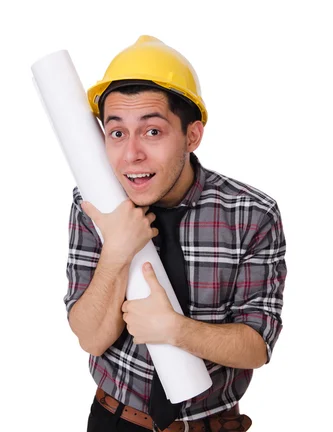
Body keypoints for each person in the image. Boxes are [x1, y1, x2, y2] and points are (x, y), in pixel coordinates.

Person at [63, 35, 287, 432]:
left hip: (209, 425)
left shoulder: (251, 213)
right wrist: (117, 250)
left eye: (152, 132)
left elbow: (257, 346)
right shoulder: (93, 203)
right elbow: (91, 338)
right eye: (117, 133)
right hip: (114, 421)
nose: (132, 154)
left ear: (192, 135)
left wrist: (175, 330)